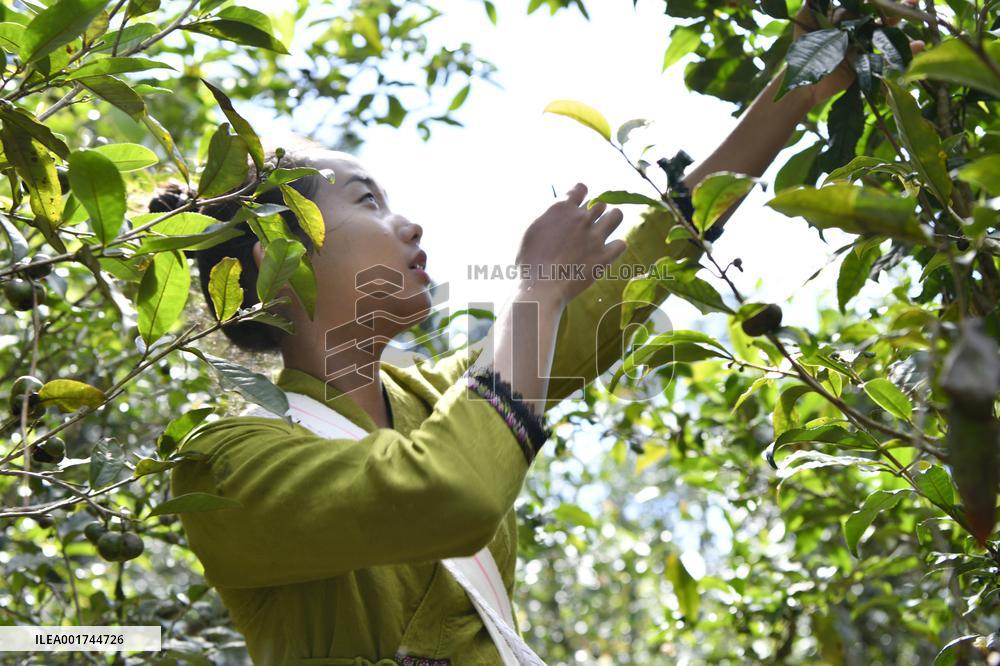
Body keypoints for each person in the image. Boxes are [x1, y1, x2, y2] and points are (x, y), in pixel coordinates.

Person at [165, 8, 920, 661]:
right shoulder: (221, 466)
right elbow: (448, 492)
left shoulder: (444, 397)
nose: (409, 222)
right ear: (282, 261)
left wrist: (800, 86)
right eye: (368, 199)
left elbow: (642, 267)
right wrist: (535, 291)